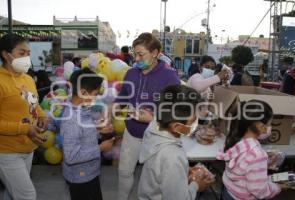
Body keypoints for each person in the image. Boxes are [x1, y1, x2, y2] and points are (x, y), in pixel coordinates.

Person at [115, 32, 180, 200]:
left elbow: (177, 111)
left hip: (156, 136)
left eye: (141, 54)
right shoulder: (131, 73)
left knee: (154, 180)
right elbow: (123, 96)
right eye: (135, 54)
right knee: (124, 172)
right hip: (132, 132)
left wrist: (152, 118)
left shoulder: (170, 76)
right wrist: (112, 108)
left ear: (155, 53)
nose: (136, 59)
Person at [138, 85, 214, 200]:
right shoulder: (173, 157)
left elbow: (162, 168)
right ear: (177, 126)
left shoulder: (154, 127)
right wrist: (196, 186)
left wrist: (182, 170)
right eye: (193, 121)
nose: (196, 124)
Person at [0, 33, 48, 200]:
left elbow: (33, 104)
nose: (27, 57)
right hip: (6, 152)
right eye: (21, 53)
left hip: (28, 149)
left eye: (28, 53)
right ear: (6, 54)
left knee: (11, 194)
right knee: (26, 195)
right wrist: (24, 128)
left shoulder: (28, 79)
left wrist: (42, 116)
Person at [61, 68, 115, 200]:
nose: (96, 98)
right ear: (83, 92)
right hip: (81, 178)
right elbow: (71, 156)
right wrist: (100, 148)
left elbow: (81, 135)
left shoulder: (82, 109)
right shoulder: (72, 119)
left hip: (88, 173)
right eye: (95, 94)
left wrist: (98, 130)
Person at [217, 100, 282, 200]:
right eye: (269, 124)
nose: (270, 127)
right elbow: (259, 191)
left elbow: (241, 165)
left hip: (228, 192)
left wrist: (262, 162)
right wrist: (277, 187)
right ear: (261, 126)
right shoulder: (257, 154)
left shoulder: (232, 138)